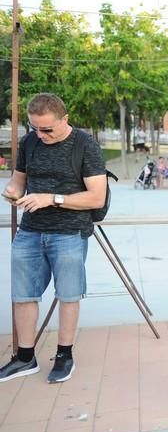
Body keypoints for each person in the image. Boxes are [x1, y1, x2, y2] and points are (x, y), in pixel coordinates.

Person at [0, 93, 107, 384]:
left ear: (65, 119)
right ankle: (24, 357)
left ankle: (64, 355)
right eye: (35, 127)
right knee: (22, 294)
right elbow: (18, 180)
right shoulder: (29, 142)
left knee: (68, 295)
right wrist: (11, 192)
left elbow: (97, 196)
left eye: (47, 129)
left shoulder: (85, 144)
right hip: (31, 229)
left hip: (70, 231)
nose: (41, 134)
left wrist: (52, 198)